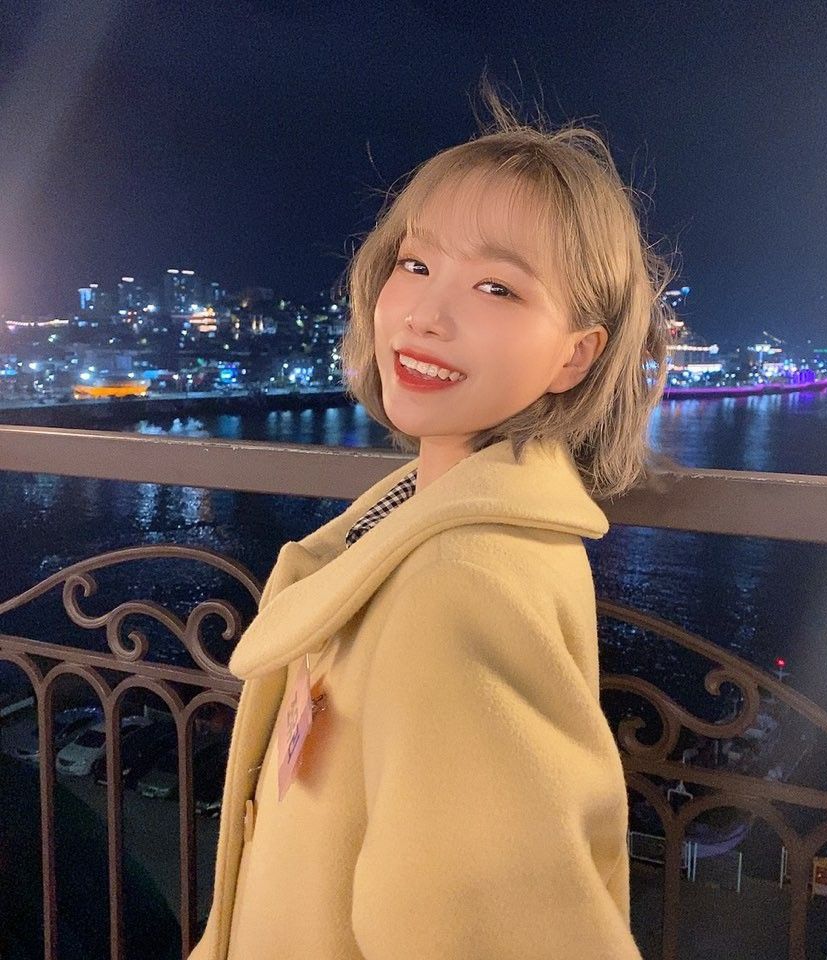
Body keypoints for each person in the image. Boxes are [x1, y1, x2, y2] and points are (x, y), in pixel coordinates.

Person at [189, 77, 672, 960]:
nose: (425, 313)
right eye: (415, 265)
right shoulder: (443, 517)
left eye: (496, 288)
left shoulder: (459, 591)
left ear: (576, 355)